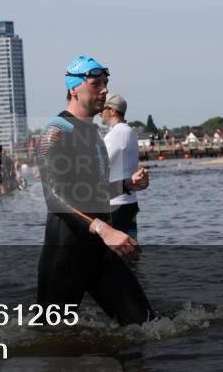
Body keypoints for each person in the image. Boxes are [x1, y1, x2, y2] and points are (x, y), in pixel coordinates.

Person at [36, 56, 155, 326]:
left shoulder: (92, 132)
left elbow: (89, 191)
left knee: (148, 326)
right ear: (73, 89)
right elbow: (54, 198)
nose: (104, 90)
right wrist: (104, 229)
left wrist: (126, 185)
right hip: (64, 258)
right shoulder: (56, 131)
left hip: (98, 253)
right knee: (49, 340)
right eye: (96, 84)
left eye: (105, 83)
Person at [100, 94, 149, 241]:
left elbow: (98, 166)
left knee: (112, 252)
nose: (99, 111)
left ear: (113, 111)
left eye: (103, 108)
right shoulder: (129, 132)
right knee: (129, 249)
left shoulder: (116, 134)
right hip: (128, 202)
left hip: (115, 205)